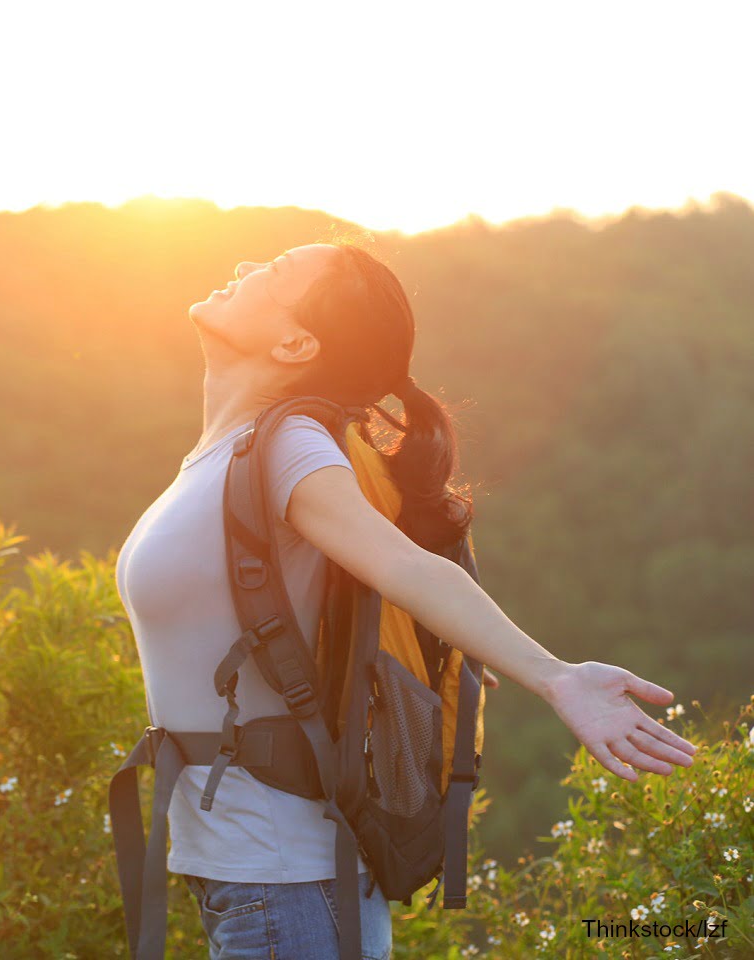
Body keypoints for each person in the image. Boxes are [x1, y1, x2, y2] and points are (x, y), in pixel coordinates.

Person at [113, 241, 699, 959]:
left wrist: (557, 676)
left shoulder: (290, 446)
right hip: (246, 877)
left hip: (292, 886)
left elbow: (408, 568)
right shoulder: (226, 451)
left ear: (297, 341)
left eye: (270, 274)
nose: (241, 268)